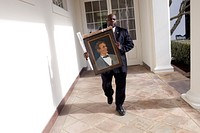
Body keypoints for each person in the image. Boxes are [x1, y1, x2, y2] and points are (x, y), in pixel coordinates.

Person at [84, 14, 134, 116]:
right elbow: (94, 47)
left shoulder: (123, 31)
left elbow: (130, 44)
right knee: (106, 85)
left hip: (120, 65)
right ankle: (109, 94)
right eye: (110, 19)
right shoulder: (100, 32)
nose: (112, 20)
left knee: (121, 86)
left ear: (116, 20)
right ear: (107, 20)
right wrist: (88, 53)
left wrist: (121, 47)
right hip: (105, 64)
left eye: (114, 19)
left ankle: (119, 105)